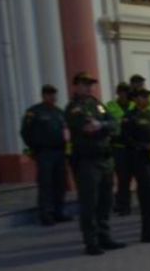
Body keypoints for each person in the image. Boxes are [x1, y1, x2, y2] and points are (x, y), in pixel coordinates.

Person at [65, 71, 126, 257]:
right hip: (87, 161)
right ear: (76, 86)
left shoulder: (97, 104)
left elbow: (115, 124)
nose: (89, 87)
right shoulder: (73, 108)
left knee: (105, 200)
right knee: (89, 202)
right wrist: (102, 126)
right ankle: (90, 242)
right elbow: (87, 127)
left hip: (105, 158)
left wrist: (101, 125)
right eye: (85, 84)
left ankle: (104, 236)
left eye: (91, 84)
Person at [120, 85, 150, 243]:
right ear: (135, 99)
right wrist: (146, 146)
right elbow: (127, 140)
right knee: (148, 194)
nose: (147, 99)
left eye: (147, 96)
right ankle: (146, 232)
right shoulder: (129, 117)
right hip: (140, 160)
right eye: (143, 96)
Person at [20, 83, 70, 226]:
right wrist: (34, 148)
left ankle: (59, 212)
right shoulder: (34, 112)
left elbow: (66, 132)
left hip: (60, 152)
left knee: (60, 183)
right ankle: (46, 214)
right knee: (46, 184)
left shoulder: (59, 112)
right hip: (45, 152)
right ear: (43, 95)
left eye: (54, 94)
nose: (52, 97)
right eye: (49, 94)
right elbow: (25, 132)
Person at [105, 81, 134, 215]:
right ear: (118, 93)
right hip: (118, 147)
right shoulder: (110, 106)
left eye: (127, 92)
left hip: (134, 146)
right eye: (122, 91)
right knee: (123, 178)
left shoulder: (134, 105)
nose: (125, 94)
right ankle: (123, 205)